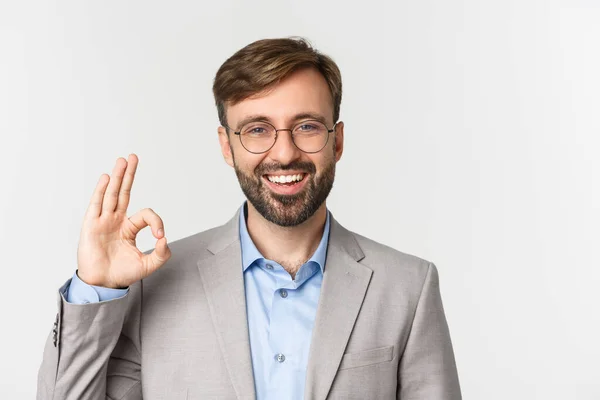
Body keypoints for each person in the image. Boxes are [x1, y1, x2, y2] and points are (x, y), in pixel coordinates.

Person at [37, 37, 462, 400]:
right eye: (257, 129)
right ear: (227, 146)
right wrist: (94, 288)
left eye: (308, 126)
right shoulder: (151, 289)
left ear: (338, 141)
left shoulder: (408, 287)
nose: (283, 153)